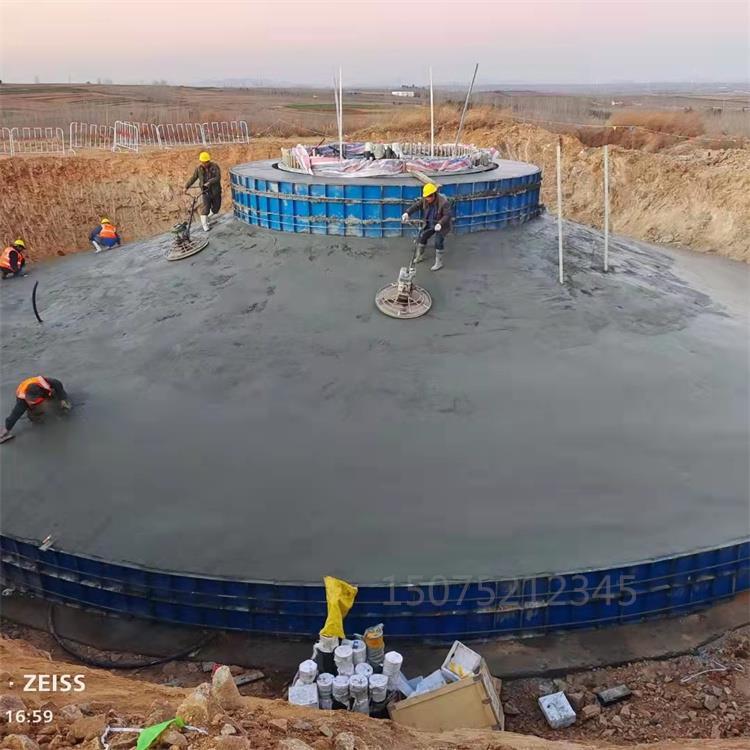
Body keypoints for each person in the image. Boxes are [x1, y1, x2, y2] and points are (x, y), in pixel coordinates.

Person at [1, 376, 71, 443]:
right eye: (29, 400)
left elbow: (58, 384)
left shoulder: (49, 383)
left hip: (43, 391)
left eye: (32, 400)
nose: (30, 401)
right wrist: (7, 428)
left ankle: (55, 401)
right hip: (27, 391)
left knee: (56, 398)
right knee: (35, 414)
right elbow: (15, 414)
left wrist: (63, 399)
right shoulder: (22, 400)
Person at [401, 183, 452, 271]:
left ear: (434, 195)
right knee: (423, 236)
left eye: (429, 197)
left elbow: (447, 215)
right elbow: (417, 205)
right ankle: (420, 256)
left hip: (441, 225)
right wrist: (407, 213)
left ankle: (439, 262)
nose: (427, 199)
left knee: (438, 241)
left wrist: (440, 223)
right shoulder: (425, 200)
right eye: (426, 197)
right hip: (430, 222)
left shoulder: (444, 203)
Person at [185, 151, 221, 233]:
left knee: (216, 208)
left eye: (206, 162)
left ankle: (207, 218)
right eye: (203, 162)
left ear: (209, 161)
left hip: (215, 191)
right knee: (205, 209)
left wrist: (209, 182)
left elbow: (217, 177)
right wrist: (186, 186)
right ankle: (205, 226)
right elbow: (193, 178)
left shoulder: (214, 167)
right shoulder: (199, 169)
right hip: (205, 192)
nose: (204, 164)